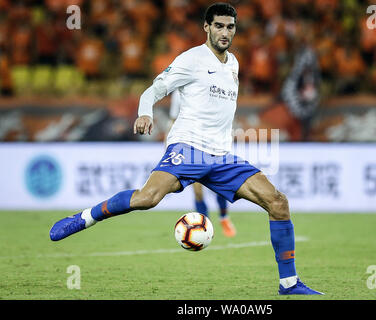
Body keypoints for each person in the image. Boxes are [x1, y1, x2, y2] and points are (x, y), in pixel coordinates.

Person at [49, 3, 322, 295]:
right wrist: (145, 113)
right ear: (207, 27)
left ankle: (289, 284)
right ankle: (85, 217)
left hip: (221, 156)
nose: (225, 32)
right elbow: (153, 90)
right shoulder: (191, 59)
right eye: (218, 25)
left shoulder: (234, 64)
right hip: (188, 149)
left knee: (278, 203)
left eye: (230, 27)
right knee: (147, 198)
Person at [168, 88, 236, 237]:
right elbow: (174, 119)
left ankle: (224, 217)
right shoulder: (178, 93)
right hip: (191, 146)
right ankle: (206, 227)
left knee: (220, 186)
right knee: (198, 191)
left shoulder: (207, 86)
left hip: (213, 143)